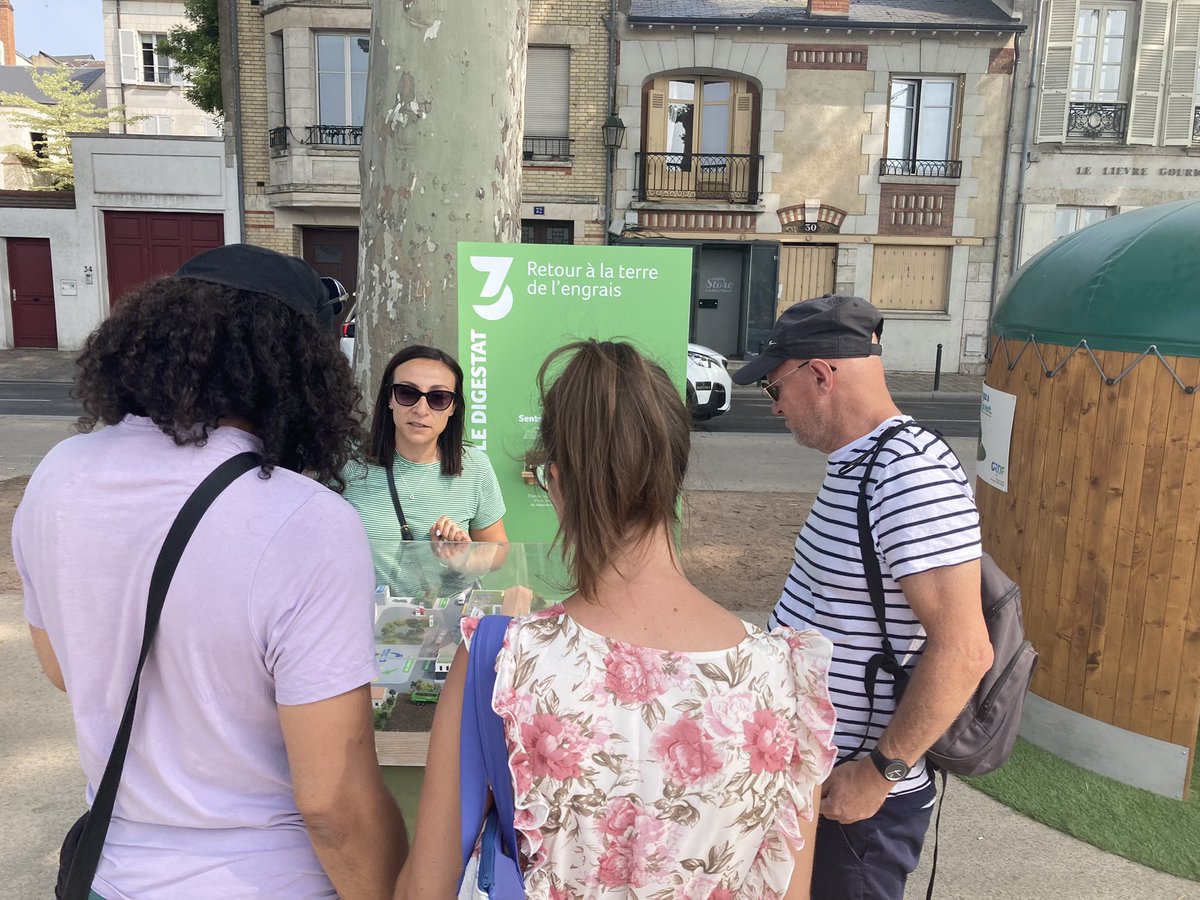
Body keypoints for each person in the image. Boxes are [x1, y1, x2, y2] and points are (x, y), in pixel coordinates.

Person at [13, 244, 407, 899]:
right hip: (269, 880)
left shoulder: (58, 475)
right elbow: (333, 801)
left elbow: (61, 668)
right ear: (302, 370)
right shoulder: (304, 519)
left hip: (112, 875)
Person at [396, 339, 838, 899]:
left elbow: (426, 886)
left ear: (556, 483)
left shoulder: (503, 661)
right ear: (674, 475)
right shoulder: (787, 680)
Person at [731, 294, 994, 900]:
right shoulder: (864, 462)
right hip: (822, 785)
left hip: (860, 805)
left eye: (774, 390)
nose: (775, 409)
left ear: (820, 375)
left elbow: (964, 649)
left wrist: (879, 774)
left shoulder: (910, 473)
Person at [343, 345, 507, 547]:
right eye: (407, 393)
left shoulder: (475, 466)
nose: (421, 410)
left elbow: (497, 551)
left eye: (438, 398)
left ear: (453, 407)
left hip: (449, 580)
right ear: (390, 398)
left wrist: (465, 558)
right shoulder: (348, 461)